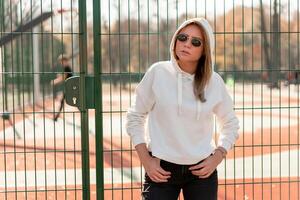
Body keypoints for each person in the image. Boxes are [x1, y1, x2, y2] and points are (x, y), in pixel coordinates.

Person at [126, 18, 239, 200]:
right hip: (161, 169)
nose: (187, 44)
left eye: (196, 42)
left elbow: (230, 123)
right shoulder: (158, 73)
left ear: (204, 50)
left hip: (201, 171)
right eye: (183, 37)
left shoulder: (214, 82)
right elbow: (135, 116)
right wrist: (146, 160)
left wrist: (217, 156)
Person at [52, 54, 73, 121]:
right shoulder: (67, 67)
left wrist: (55, 81)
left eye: (62, 61)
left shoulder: (67, 67)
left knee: (64, 101)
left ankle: (57, 116)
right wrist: (60, 76)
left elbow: (64, 77)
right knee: (62, 101)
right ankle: (57, 116)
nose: (61, 63)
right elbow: (65, 76)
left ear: (65, 61)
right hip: (70, 87)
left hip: (70, 87)